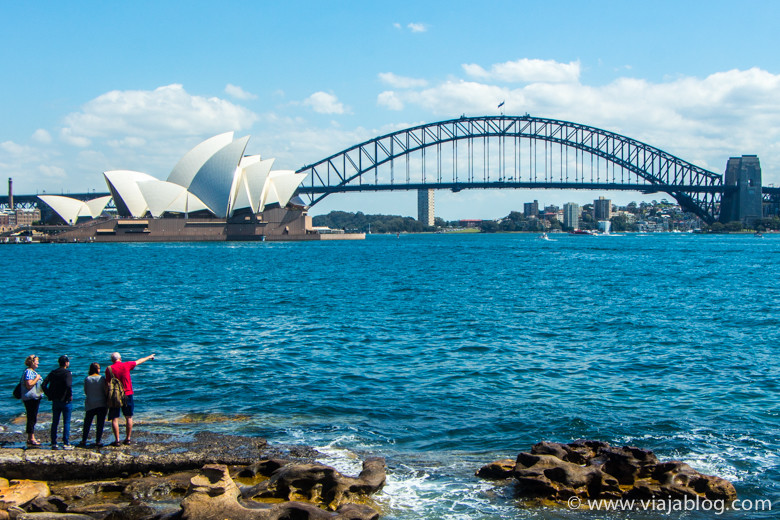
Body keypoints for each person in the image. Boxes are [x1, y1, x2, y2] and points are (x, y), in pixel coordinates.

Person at [106, 352, 155, 446]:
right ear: (120, 358)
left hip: (115, 395)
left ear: (112, 360)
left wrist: (107, 397)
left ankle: (117, 440)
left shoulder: (109, 369)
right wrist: (149, 357)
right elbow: (138, 361)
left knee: (114, 419)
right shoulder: (126, 365)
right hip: (127, 394)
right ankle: (128, 439)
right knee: (128, 417)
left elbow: (107, 384)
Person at [42, 355, 74, 450]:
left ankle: (54, 442)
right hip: (65, 400)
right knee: (66, 422)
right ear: (66, 363)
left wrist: (49, 394)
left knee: (55, 422)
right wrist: (70, 395)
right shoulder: (67, 373)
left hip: (55, 400)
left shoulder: (53, 373)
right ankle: (66, 442)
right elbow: (68, 385)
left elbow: (44, 384)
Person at [79, 362, 107, 447]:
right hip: (101, 403)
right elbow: (105, 390)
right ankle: (98, 441)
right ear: (97, 369)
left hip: (90, 403)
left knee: (87, 423)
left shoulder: (87, 379)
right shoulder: (102, 378)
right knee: (100, 423)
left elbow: (86, 391)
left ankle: (84, 440)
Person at [20, 355, 43, 446]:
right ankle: (31, 438)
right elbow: (29, 384)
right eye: (37, 361)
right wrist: (37, 378)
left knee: (32, 417)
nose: (38, 363)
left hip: (32, 398)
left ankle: (30, 437)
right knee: (32, 417)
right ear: (32, 362)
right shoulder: (29, 372)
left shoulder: (30, 371)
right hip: (31, 398)